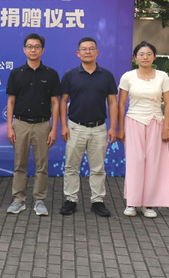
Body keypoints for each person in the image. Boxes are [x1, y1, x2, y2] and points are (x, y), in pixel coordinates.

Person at [59, 37, 117, 217]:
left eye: (91, 49)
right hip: (75, 127)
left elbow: (112, 102)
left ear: (97, 52)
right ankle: (70, 199)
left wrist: (113, 127)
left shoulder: (106, 75)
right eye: (84, 49)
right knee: (71, 167)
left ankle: (97, 201)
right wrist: (63, 126)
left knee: (98, 168)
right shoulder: (70, 75)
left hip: (99, 128)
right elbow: (63, 102)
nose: (88, 52)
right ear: (78, 53)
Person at [117, 41, 169, 218]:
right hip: (133, 122)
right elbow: (121, 104)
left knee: (153, 163)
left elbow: (168, 104)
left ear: (154, 57)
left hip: (156, 123)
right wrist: (121, 128)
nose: (145, 57)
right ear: (135, 57)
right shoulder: (128, 77)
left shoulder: (163, 76)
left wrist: (166, 128)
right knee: (135, 162)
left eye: (149, 54)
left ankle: (149, 204)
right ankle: (132, 203)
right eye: (141, 54)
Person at [5, 33, 60, 216]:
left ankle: (39, 200)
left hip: (43, 125)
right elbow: (11, 102)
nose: (33, 50)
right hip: (20, 124)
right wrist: (10, 127)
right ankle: (18, 199)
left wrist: (54, 128)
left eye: (37, 47)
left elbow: (55, 103)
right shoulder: (16, 74)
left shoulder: (51, 74)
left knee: (41, 165)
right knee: (19, 163)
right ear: (24, 50)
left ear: (42, 50)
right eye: (29, 47)